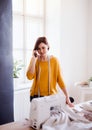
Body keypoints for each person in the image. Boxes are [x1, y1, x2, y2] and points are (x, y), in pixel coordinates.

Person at [26, 36, 74, 107]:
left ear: (47, 46)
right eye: (38, 49)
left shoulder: (54, 60)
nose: (41, 51)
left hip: (51, 96)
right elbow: (29, 77)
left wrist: (67, 96)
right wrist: (33, 59)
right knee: (39, 117)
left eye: (43, 48)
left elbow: (60, 79)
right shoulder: (34, 60)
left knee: (52, 117)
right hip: (36, 96)